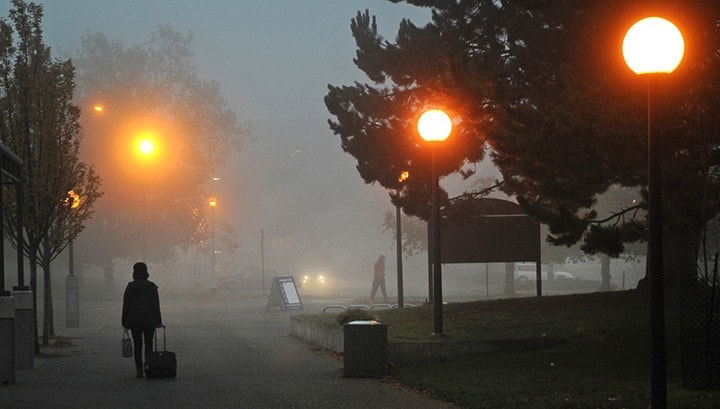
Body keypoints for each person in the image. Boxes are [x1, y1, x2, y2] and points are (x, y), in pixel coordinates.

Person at [122, 262, 163, 378]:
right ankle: (148, 366)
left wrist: (124, 321)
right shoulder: (151, 287)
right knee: (148, 344)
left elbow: (126, 305)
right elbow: (156, 305)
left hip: (134, 320)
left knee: (137, 344)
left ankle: (138, 368)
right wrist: (158, 320)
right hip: (149, 319)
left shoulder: (130, 287)